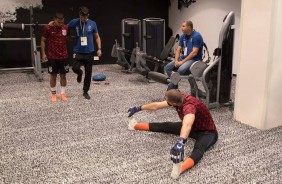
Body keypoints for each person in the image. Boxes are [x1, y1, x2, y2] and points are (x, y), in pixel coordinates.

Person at [127, 89, 218, 179]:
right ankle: (135, 126)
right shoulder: (179, 98)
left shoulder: (189, 107)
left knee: (199, 149)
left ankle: (181, 168)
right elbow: (156, 105)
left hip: (208, 132)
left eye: (166, 99)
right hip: (194, 128)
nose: (164, 100)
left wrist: (180, 142)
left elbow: (187, 125)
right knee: (167, 126)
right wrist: (138, 108)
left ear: (173, 104)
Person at [67, 6, 102, 99]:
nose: (84, 19)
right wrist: (68, 35)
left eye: (86, 17)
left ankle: (85, 91)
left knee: (88, 72)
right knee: (74, 67)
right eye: (83, 17)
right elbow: (66, 27)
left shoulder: (93, 23)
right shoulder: (74, 22)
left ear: (88, 15)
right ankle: (79, 73)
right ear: (80, 15)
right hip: (77, 51)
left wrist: (99, 48)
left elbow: (97, 36)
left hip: (89, 52)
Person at [165, 21, 204, 90]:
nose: (181, 28)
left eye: (183, 26)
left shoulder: (196, 36)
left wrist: (181, 62)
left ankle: (170, 89)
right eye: (181, 26)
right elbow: (178, 49)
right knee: (168, 67)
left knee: (181, 69)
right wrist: (176, 61)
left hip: (194, 59)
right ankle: (175, 89)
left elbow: (194, 53)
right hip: (185, 58)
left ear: (189, 27)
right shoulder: (183, 36)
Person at [41, 12, 69, 102]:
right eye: (58, 22)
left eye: (62, 22)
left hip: (64, 56)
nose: (61, 24)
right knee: (53, 76)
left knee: (63, 76)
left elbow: (68, 37)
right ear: (54, 20)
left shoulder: (66, 27)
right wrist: (43, 54)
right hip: (52, 56)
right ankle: (53, 94)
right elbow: (43, 40)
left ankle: (62, 93)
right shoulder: (47, 28)